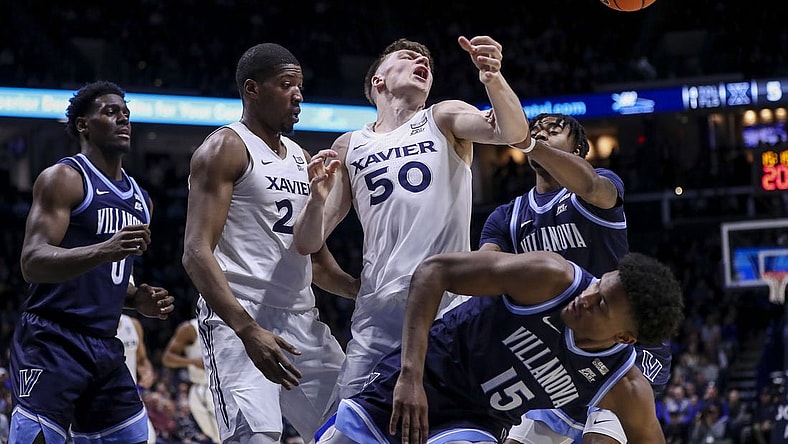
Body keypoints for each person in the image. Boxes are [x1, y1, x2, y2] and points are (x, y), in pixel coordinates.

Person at [293, 35, 531, 408]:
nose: (422, 60)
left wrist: (493, 76)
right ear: (379, 80)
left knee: (447, 423)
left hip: (447, 302)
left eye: (427, 62)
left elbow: (514, 134)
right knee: (345, 426)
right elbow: (308, 242)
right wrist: (316, 199)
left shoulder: (442, 116)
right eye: (408, 56)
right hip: (378, 311)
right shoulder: (349, 145)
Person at [315, 250, 685, 444]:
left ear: (624, 338)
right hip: (421, 376)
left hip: (474, 422)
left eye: (602, 304)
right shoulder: (551, 278)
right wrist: (410, 377)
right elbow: (433, 272)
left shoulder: (624, 385)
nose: (587, 298)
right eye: (597, 286)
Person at [181, 43, 358, 444]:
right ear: (252, 89)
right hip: (241, 320)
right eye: (286, 84)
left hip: (302, 323)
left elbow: (317, 261)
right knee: (256, 438)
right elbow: (195, 251)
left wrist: (367, 292)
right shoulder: (226, 147)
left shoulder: (300, 157)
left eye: (300, 86)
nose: (298, 95)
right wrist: (246, 329)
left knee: (355, 432)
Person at [479, 113, 673, 443]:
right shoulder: (506, 217)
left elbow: (588, 185)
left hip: (621, 341)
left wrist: (528, 142)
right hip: (560, 351)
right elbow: (483, 277)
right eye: (536, 131)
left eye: (552, 132)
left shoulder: (598, 187)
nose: (540, 135)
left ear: (579, 149)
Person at [9, 80, 175, 443]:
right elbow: (32, 262)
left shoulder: (141, 199)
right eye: (111, 112)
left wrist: (135, 299)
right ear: (84, 124)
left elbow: (112, 275)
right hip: (51, 339)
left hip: (104, 342)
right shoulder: (64, 179)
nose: (123, 119)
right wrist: (104, 249)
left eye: (126, 113)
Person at [161, 317, 221, 443]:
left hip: (230, 386)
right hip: (203, 388)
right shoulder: (190, 328)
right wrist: (192, 362)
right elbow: (167, 358)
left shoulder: (233, 323)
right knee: (219, 437)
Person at [117, 312, 158, 444]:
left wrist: (147, 372)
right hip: (102, 397)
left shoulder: (133, 324)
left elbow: (142, 359)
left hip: (131, 395)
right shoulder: (91, 324)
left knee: (149, 439)